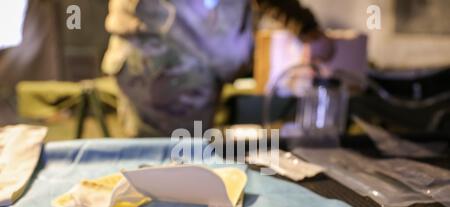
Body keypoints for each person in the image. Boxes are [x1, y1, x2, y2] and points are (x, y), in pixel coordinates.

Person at [102, 0, 335, 137]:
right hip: (160, 60)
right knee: (162, 158)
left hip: (188, 63)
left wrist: (305, 27)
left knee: (184, 156)